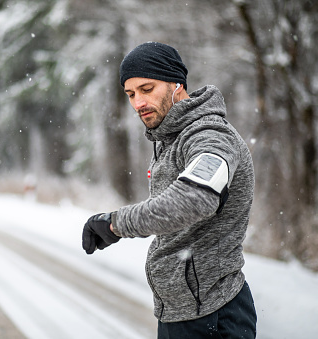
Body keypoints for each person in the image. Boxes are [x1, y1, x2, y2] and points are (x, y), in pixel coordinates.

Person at [82, 42, 257, 339]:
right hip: (182, 312)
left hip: (214, 315)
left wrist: (116, 223)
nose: (138, 103)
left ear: (177, 84)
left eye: (147, 89)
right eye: (131, 94)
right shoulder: (170, 137)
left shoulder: (210, 137)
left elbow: (194, 198)